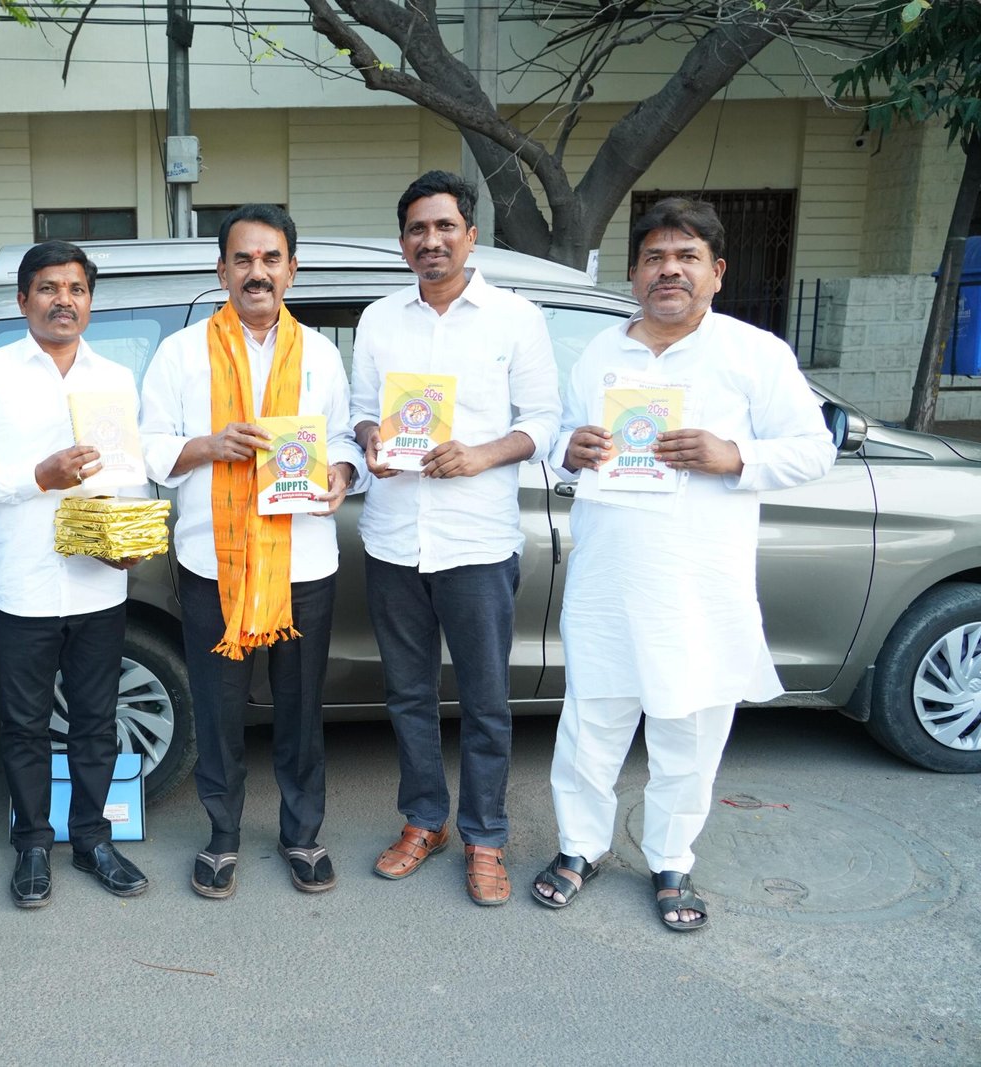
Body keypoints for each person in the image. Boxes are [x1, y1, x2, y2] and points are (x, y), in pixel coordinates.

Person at [532, 197, 835, 931]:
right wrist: (570, 449)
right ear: (635, 273)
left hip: (699, 585)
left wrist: (735, 456)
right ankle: (579, 848)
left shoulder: (753, 353)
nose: (669, 270)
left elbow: (813, 450)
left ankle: (671, 860)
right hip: (608, 579)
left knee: (688, 732)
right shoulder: (601, 353)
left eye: (686, 257)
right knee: (591, 726)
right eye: (655, 258)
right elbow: (564, 442)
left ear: (716, 272)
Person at [140, 205, 362, 899]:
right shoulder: (182, 353)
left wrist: (341, 472)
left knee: (300, 707)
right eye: (243, 259)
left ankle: (302, 833)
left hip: (304, 561)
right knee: (217, 707)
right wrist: (209, 445)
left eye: (270, 259)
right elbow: (150, 445)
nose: (257, 272)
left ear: (292, 269)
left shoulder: (320, 355)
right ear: (222, 271)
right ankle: (222, 833)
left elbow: (342, 439)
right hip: (214, 562)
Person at [351, 171, 560, 905]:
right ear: (402, 241)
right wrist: (371, 439)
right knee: (408, 695)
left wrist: (480, 454)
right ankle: (424, 821)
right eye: (418, 229)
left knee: (486, 700)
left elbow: (544, 422)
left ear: (471, 235)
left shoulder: (515, 318)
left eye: (445, 227)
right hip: (394, 538)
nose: (431, 240)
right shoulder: (379, 319)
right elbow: (360, 411)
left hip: (476, 541)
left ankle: (486, 836)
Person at [0, 240, 150, 909]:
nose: (65, 300)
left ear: (90, 300)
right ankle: (32, 842)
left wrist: (128, 542)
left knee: (95, 719)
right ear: (23, 299)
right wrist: (37, 476)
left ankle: (92, 839)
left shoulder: (114, 378)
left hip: (99, 580)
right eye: (49, 288)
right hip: (26, 582)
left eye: (76, 288)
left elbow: (129, 475)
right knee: (25, 722)